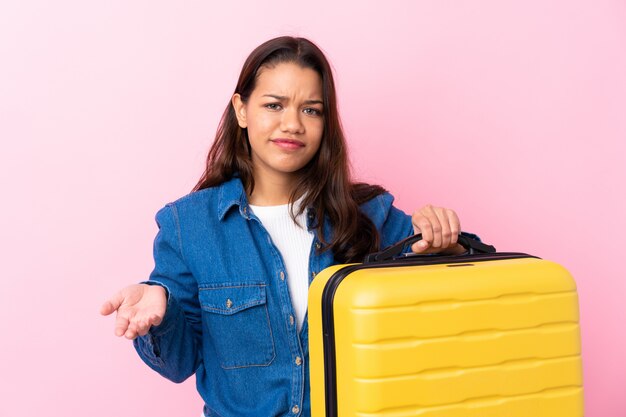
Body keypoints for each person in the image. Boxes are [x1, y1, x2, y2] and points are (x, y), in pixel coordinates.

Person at [100, 36, 478, 417]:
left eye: (311, 110)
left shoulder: (367, 214)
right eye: (274, 105)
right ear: (242, 110)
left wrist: (447, 242)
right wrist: (160, 314)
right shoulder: (188, 225)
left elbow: (472, 292)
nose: (293, 124)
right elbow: (178, 364)